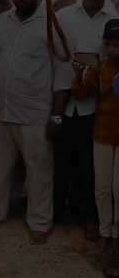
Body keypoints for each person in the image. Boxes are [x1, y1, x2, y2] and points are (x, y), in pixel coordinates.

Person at [0, 0, 72, 245]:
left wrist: (56, 114)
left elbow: (63, 70)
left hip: (35, 113)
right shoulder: (1, 22)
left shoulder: (50, 25)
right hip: (0, 111)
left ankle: (39, 222)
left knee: (39, 171)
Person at [55, 0, 115, 240]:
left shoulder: (114, 21)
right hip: (62, 103)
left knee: (89, 168)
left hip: (96, 108)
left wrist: (92, 66)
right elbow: (54, 57)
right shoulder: (63, 17)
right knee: (60, 163)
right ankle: (55, 215)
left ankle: (88, 217)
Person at [70, 19, 119, 276]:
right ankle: (105, 236)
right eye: (108, 44)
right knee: (102, 188)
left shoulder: (105, 70)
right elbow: (80, 93)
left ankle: (115, 240)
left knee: (118, 190)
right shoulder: (101, 68)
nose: (112, 49)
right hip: (102, 134)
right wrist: (80, 75)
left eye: (116, 45)